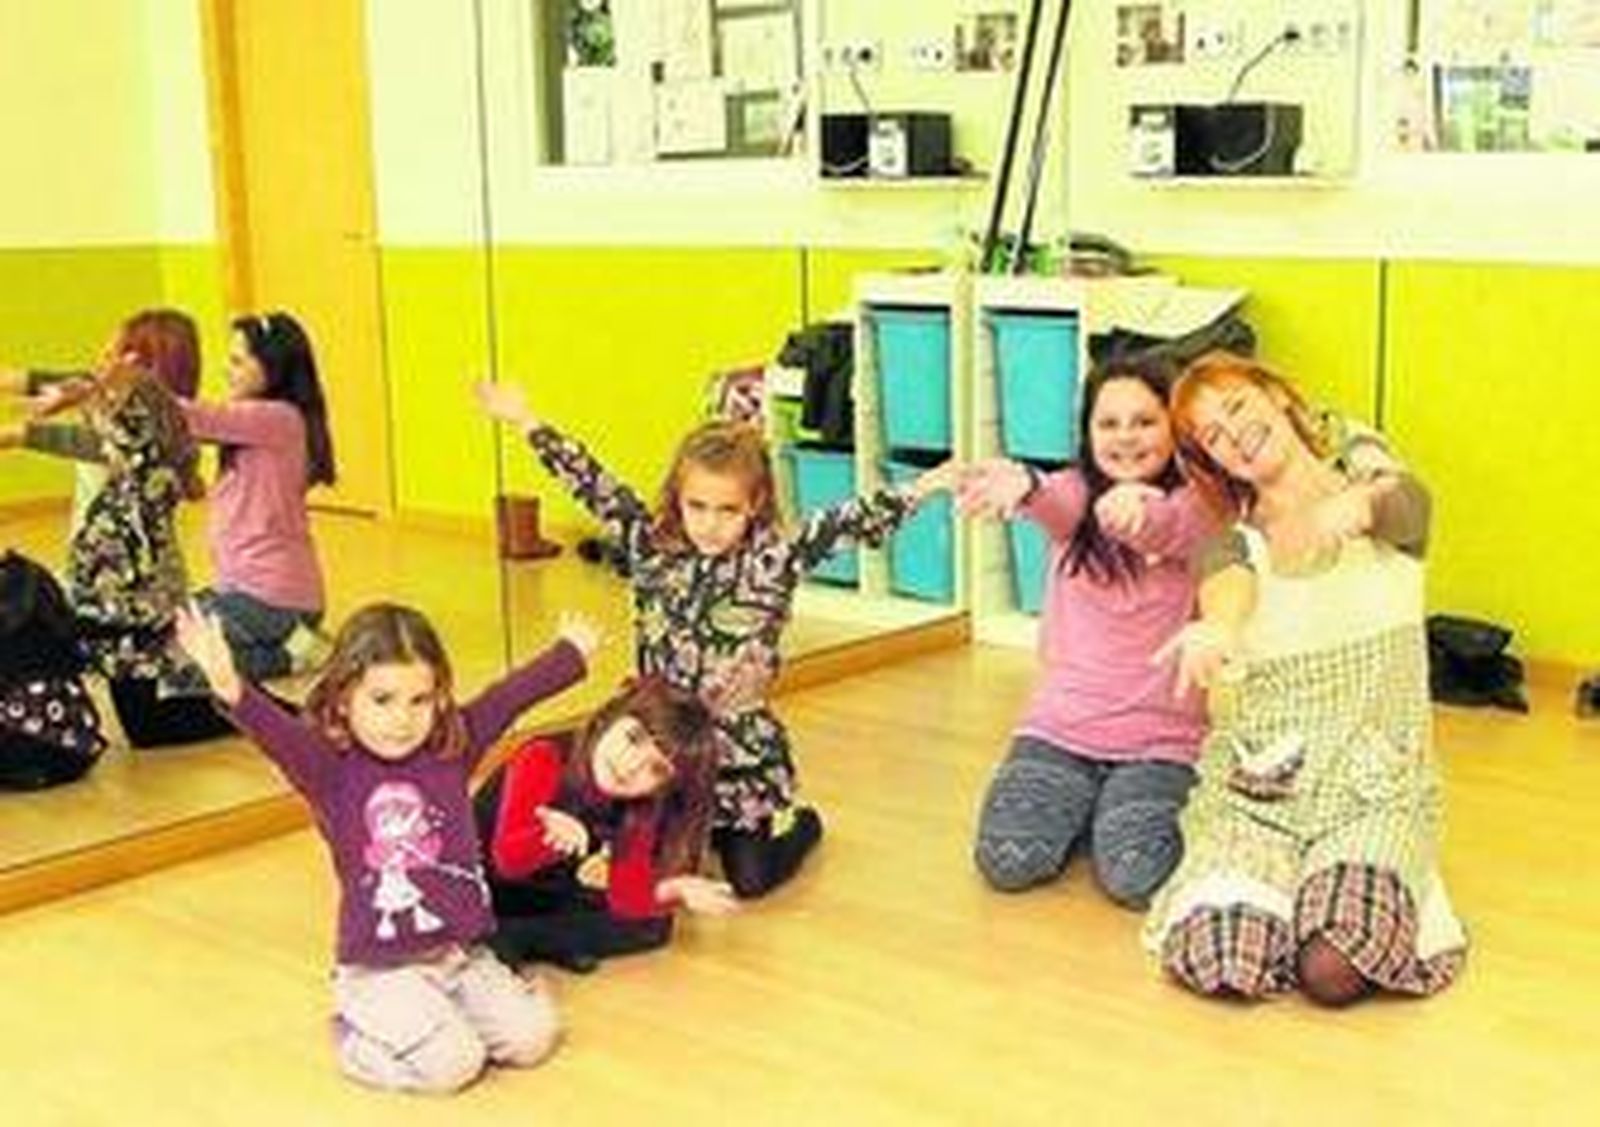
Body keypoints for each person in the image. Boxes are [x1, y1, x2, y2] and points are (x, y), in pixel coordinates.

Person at [479, 380, 957, 898]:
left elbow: (850, 521)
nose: (710, 524)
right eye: (697, 506)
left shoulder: (774, 560)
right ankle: (676, 828)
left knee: (749, 882)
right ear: (678, 501)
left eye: (727, 510)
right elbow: (594, 484)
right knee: (639, 869)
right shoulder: (652, 547)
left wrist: (927, 485)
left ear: (754, 504)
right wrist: (527, 421)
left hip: (735, 754)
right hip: (658, 749)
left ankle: (801, 827)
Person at [1145, 350, 1467, 1006]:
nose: (1233, 433)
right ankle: (1284, 891)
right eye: (1212, 434)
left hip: (1374, 790)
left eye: (1236, 406)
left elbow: (1406, 503)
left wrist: (1364, 504)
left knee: (1333, 969)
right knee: (1223, 959)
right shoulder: (1232, 541)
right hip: (1264, 793)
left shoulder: (1384, 497)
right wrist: (1221, 628)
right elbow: (1226, 586)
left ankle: (1351, 890)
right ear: (1214, 461)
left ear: (1278, 397)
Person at [175, 599, 598, 1092]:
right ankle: (357, 1035)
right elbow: (277, 734)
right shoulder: (328, 769)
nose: (402, 719)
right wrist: (230, 685)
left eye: (419, 700)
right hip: (381, 971)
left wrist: (570, 654)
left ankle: (458, 1013)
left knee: (534, 1040)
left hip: (461, 956)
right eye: (382, 700)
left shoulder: (451, 747)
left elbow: (506, 699)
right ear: (343, 698)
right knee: (455, 1066)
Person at [958, 358, 1217, 906]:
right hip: (1061, 730)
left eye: (1145, 421)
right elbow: (1050, 499)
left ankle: (1107, 807)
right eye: (1109, 423)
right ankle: (1087, 802)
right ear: (1088, 433)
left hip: (1159, 742)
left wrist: (1137, 514)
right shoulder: (1075, 496)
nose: (1126, 436)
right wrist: (1027, 483)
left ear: (1175, 428)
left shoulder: (1198, 505)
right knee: (1006, 862)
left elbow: (1168, 528)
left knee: (1135, 877)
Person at [2, 355, 232, 747]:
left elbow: (139, 603)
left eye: (103, 420)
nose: (93, 435)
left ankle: (244, 708)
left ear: (128, 427)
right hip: (120, 637)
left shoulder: (145, 488)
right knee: (146, 725)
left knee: (150, 729)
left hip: (134, 642)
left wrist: (67, 622)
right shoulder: (133, 473)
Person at [476, 677, 735, 972]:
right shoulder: (544, 755)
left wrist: (675, 889)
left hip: (540, 889)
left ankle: (525, 941)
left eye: (656, 769)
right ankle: (531, 941)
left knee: (655, 926)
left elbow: (627, 896)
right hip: (479, 886)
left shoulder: (640, 806)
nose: (630, 766)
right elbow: (508, 860)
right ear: (610, 717)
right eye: (633, 738)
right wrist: (548, 837)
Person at [181, 311, 335, 680]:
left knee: (180, 657)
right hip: (245, 593)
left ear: (274, 368)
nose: (225, 370)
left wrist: (125, 385)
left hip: (275, 599)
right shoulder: (262, 423)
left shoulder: (278, 418)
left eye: (237, 361)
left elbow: (192, 416)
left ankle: (290, 655)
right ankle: (293, 643)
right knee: (170, 630)